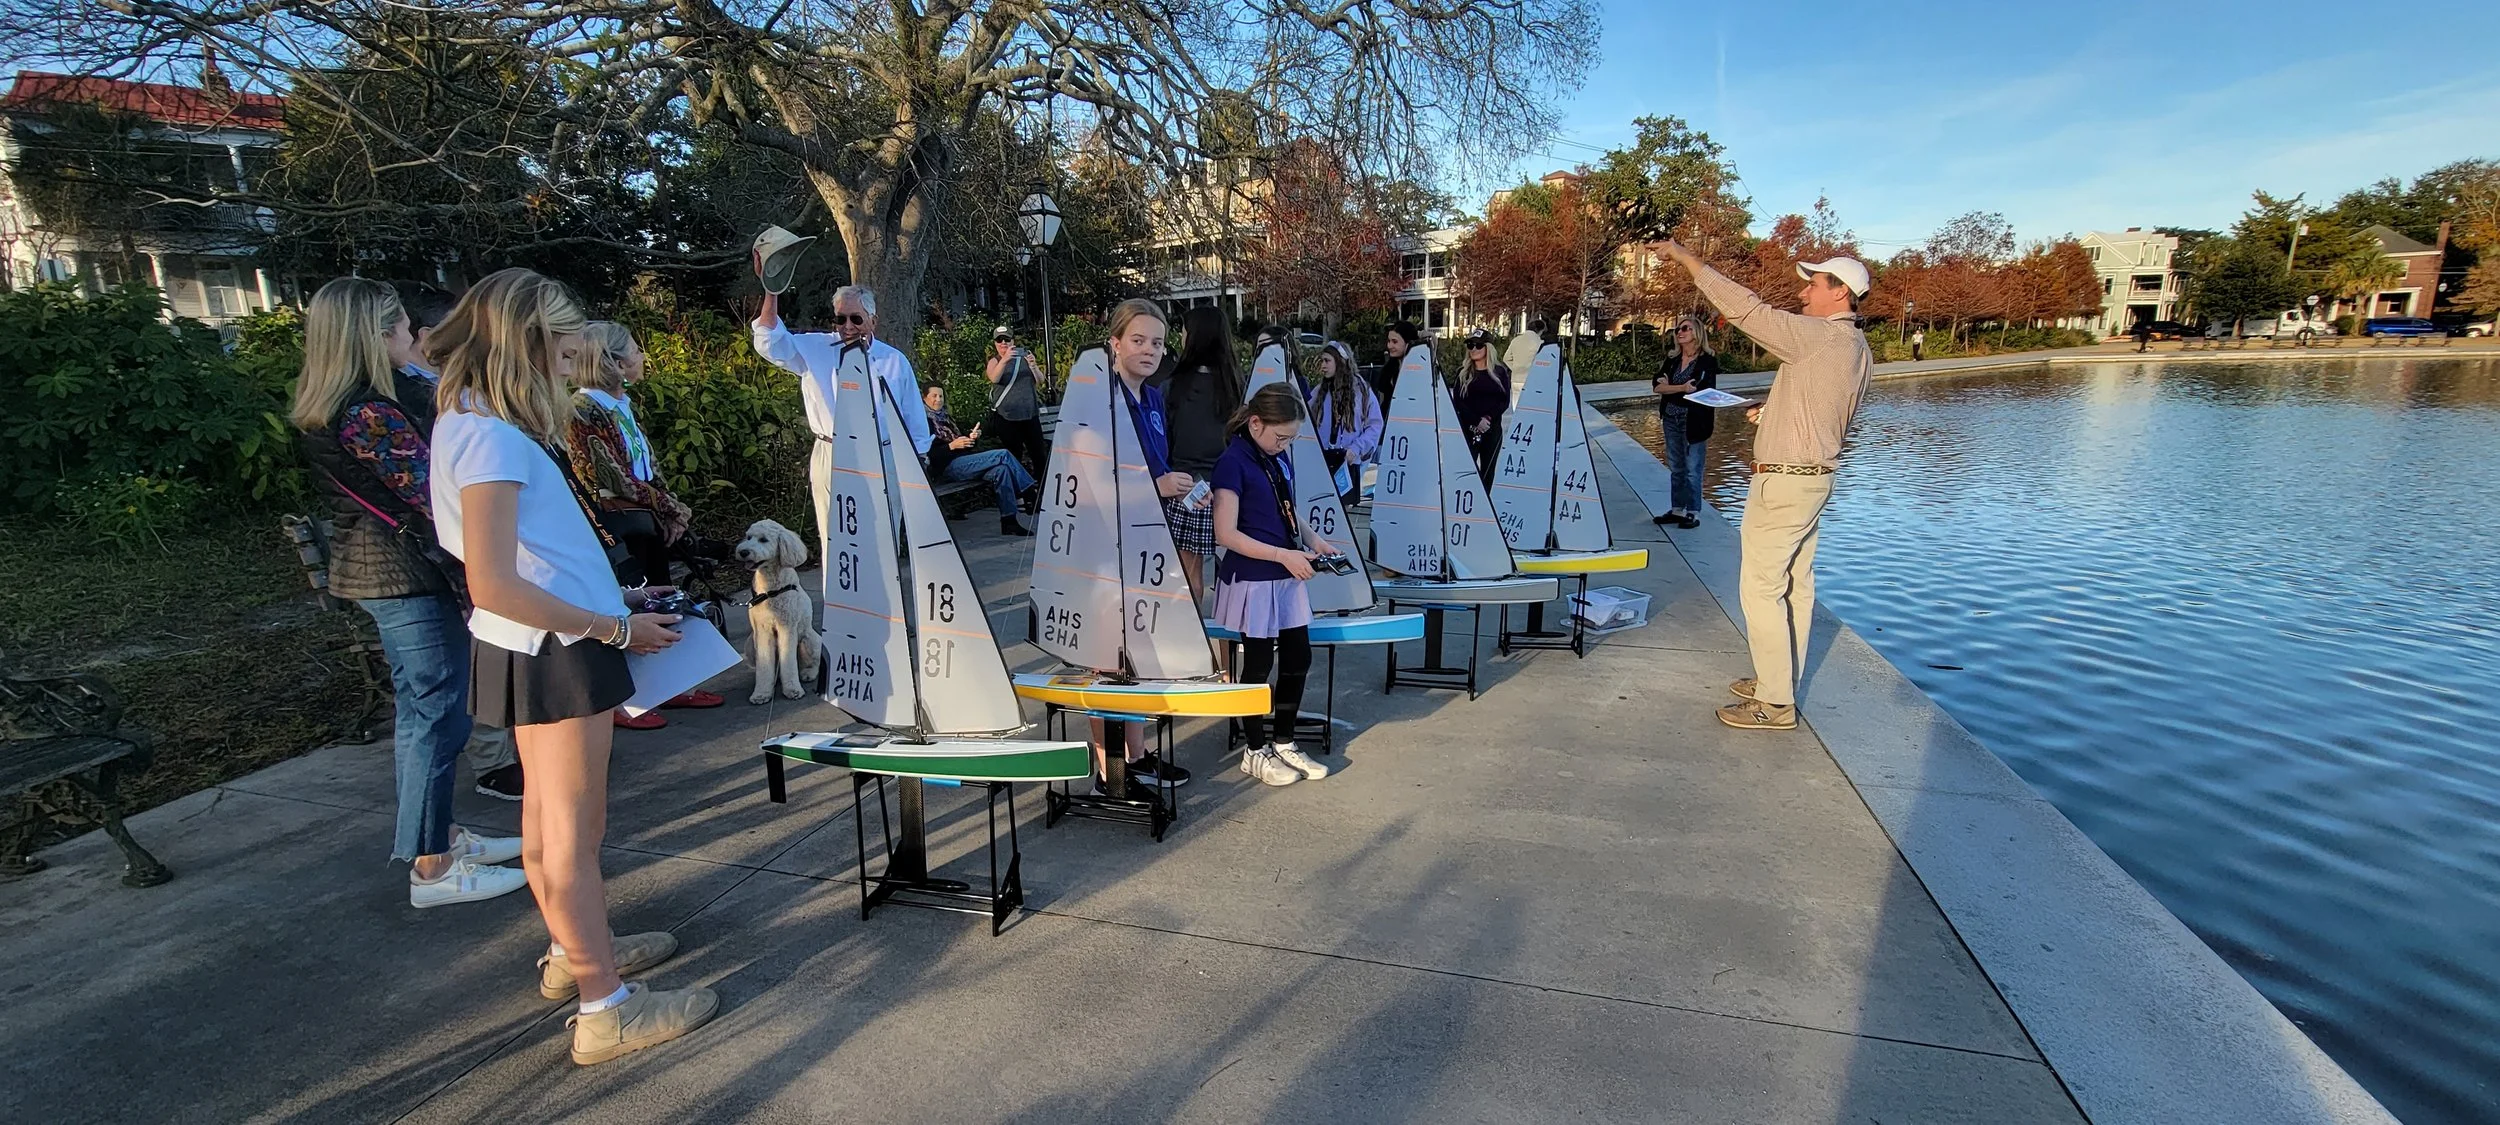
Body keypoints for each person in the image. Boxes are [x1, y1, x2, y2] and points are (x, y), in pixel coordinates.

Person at [427, 267, 717, 1065]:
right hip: (557, 651)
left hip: (537, 643)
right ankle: (606, 1004)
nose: (576, 353)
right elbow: (493, 576)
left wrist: (615, 596)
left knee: (550, 825)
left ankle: (576, 954)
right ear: (526, 341)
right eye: (564, 339)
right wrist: (615, 628)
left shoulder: (471, 418)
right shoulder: (490, 433)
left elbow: (531, 556)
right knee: (572, 832)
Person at [289, 278, 527, 908]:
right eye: (398, 325)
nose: (411, 336)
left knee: (429, 711)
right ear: (371, 335)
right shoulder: (366, 411)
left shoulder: (358, 401)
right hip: (401, 577)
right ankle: (431, 865)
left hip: (393, 573)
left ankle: (439, 837)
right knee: (434, 714)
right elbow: (435, 490)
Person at [1657, 242, 1874, 731]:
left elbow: (1748, 310)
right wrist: (1773, 414)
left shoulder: (1820, 336)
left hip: (1785, 481)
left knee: (1760, 588)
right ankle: (1779, 682)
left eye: (1814, 284)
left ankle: (1774, 703)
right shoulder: (1858, 349)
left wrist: (1689, 261)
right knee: (1795, 586)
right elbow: (1828, 414)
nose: (1803, 292)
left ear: (1840, 293)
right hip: (1813, 478)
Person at [395, 282, 522, 800]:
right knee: (441, 693)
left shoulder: (439, 399)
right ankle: (487, 770)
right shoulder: (437, 406)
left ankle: (434, 841)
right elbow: (427, 489)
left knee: (436, 694)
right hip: (431, 561)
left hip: (439, 556)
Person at [567, 321, 727, 730]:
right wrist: (670, 506)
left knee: (659, 600)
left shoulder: (622, 404)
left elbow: (645, 467)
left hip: (644, 519)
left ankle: (669, 686)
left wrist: (669, 511)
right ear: (616, 362)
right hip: (614, 525)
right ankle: (625, 702)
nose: (642, 356)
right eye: (635, 350)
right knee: (625, 606)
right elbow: (610, 476)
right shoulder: (583, 410)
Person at [750, 280, 933, 550]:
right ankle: (838, 593)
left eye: (856, 319)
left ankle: (883, 593)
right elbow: (768, 340)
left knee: (883, 538)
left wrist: (917, 463)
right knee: (836, 539)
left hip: (882, 454)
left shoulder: (894, 360)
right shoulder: (815, 349)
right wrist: (772, 289)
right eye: (840, 319)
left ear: (873, 320)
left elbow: (913, 418)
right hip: (831, 451)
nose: (848, 326)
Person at [1211, 384, 1332, 787]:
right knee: (1258, 664)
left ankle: (1284, 740)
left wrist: (1313, 540)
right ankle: (1254, 749)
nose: (1285, 445)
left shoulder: (1274, 456)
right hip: (1256, 576)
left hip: (1284, 571)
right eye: (1281, 437)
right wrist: (1284, 555)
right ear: (1256, 422)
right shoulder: (1232, 462)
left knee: (1299, 657)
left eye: (1291, 438)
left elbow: (1286, 504)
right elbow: (1226, 533)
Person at [1096, 298, 1195, 790]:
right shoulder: (1098, 397)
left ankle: (1136, 754)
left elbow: (1155, 463)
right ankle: (1106, 769)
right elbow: (1087, 477)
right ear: (1115, 342)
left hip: (1147, 536)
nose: (1149, 350)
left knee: (1140, 647)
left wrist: (1176, 485)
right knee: (1106, 655)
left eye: (1157, 342)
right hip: (1104, 541)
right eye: (1138, 340)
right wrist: (1154, 486)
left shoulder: (1152, 398)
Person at [1160, 305, 1245, 598]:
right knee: (1234, 568)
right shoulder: (1236, 385)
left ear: (1193, 337)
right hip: (1230, 487)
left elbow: (1165, 439)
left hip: (1186, 490)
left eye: (1183, 332)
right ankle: (1231, 635)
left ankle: (1191, 635)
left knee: (1188, 571)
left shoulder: (1173, 386)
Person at [922, 383, 1037, 536]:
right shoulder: (924, 422)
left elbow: (963, 445)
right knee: (1002, 454)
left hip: (964, 462)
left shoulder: (945, 417)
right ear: (924, 398)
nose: (938, 399)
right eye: (934, 396)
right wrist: (951, 446)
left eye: (941, 396)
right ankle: (1030, 492)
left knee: (1001, 470)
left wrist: (971, 438)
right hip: (946, 468)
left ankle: (1009, 522)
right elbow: (929, 455)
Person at [1649, 313, 1722, 529]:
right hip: (1671, 418)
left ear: (1697, 334)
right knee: (1676, 466)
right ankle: (1677, 509)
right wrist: (1680, 388)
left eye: (1685, 328)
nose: (1679, 332)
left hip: (1694, 421)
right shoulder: (1672, 360)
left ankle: (1693, 512)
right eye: (1678, 329)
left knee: (1693, 468)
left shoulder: (1707, 361)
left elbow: (1699, 391)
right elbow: (1657, 386)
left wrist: (1670, 388)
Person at [1307, 340, 1382, 507]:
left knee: (1343, 516)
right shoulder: (1319, 391)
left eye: (1327, 361)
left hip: (1347, 463)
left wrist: (1356, 448)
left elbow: (1375, 425)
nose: (1323, 366)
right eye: (1322, 361)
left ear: (1340, 362)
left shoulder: (1361, 391)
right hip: (1323, 462)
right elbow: (1304, 422)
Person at [982, 325, 1049, 477]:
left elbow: (1039, 381)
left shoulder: (1024, 357)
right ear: (995, 343)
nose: (1003, 344)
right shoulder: (995, 361)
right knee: (1014, 456)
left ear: (1013, 341)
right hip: (1007, 417)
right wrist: (1004, 360)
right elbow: (994, 377)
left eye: (1006, 339)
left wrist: (1033, 366)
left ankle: (1042, 488)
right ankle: (1019, 493)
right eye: (999, 340)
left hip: (1029, 414)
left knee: (1039, 454)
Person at [1455, 327, 1510, 486]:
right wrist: (1475, 420)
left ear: (1488, 348)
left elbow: (1504, 401)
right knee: (1465, 471)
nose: (1473, 349)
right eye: (1470, 345)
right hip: (1468, 429)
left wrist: (1487, 418)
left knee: (1488, 472)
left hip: (1491, 430)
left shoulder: (1500, 372)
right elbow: (1458, 402)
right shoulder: (1463, 373)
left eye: (1478, 345)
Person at [1378, 320, 1422, 400]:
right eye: (1389, 341)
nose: (1389, 346)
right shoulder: (1388, 370)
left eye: (1395, 342)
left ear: (1408, 342)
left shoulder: (1420, 368)